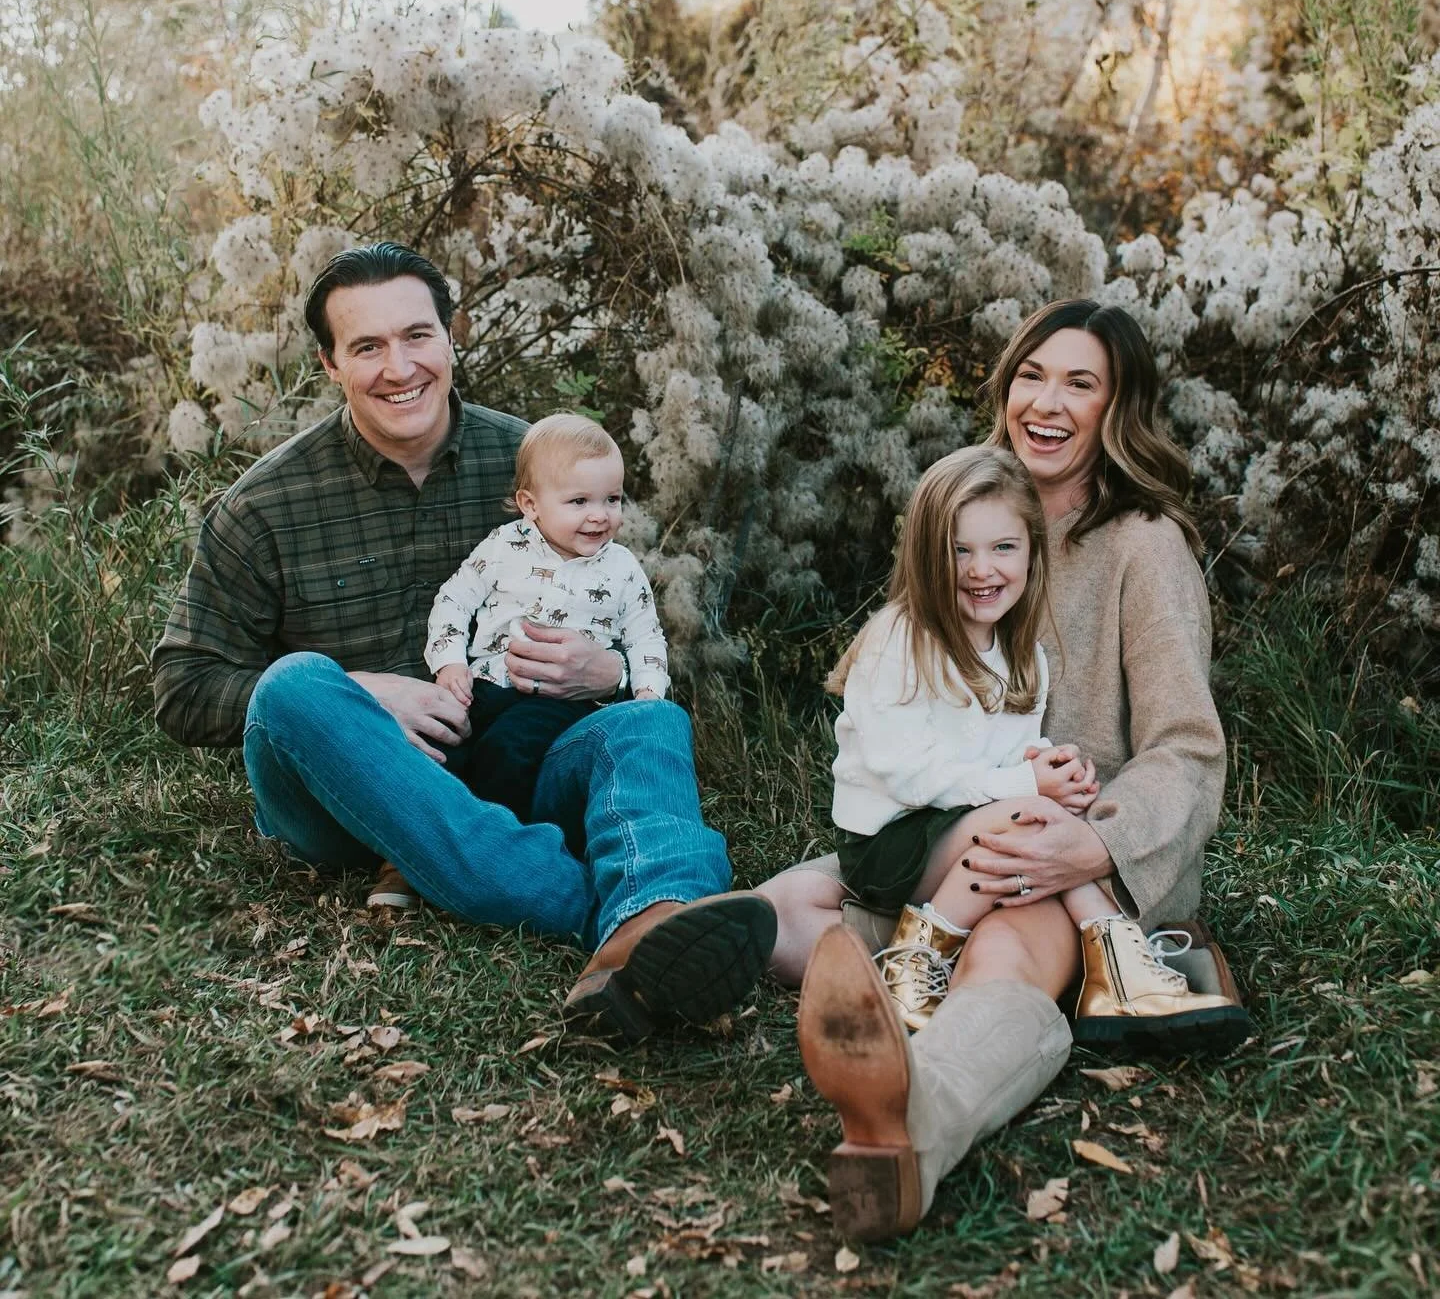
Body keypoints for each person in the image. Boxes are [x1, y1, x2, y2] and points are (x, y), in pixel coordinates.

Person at [153, 242, 775, 1041]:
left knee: (649, 723)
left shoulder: (538, 461)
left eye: (417, 336)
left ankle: (649, 922)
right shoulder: (264, 506)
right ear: (329, 363)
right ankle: (624, 907)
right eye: (367, 347)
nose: (399, 366)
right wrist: (364, 693)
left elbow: (628, 608)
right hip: (351, 797)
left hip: (512, 757)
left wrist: (610, 671)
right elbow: (182, 686)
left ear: (453, 337)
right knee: (292, 687)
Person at [758, 298, 1249, 1241]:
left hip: (1074, 859)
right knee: (798, 898)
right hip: (968, 824)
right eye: (1032, 374)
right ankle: (649, 954)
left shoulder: (1146, 549)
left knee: (1002, 956)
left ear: (1119, 408)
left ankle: (912, 1123)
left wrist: (1093, 842)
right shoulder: (977, 517)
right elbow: (902, 685)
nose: (1048, 401)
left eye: (1081, 382)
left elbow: (1189, 746)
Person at [829, 444, 1149, 1033]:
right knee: (1029, 816)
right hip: (885, 844)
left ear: (1032, 551)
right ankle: (1113, 952)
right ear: (928, 556)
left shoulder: (1025, 656)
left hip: (959, 833)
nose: (982, 570)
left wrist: (1049, 770)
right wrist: (1028, 787)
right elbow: (908, 774)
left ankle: (1117, 967)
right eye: (959, 551)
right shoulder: (901, 639)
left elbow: (1001, 759)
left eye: (1004, 548)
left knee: (1045, 820)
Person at [367, 411, 670, 909]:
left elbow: (646, 637)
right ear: (530, 505)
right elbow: (453, 602)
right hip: (482, 685)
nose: (600, 516)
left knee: (510, 750)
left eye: (612, 500)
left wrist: (646, 694)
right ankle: (406, 859)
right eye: (579, 502)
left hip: (561, 703)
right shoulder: (504, 547)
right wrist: (448, 663)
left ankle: (497, 858)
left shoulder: (621, 568)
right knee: (436, 746)